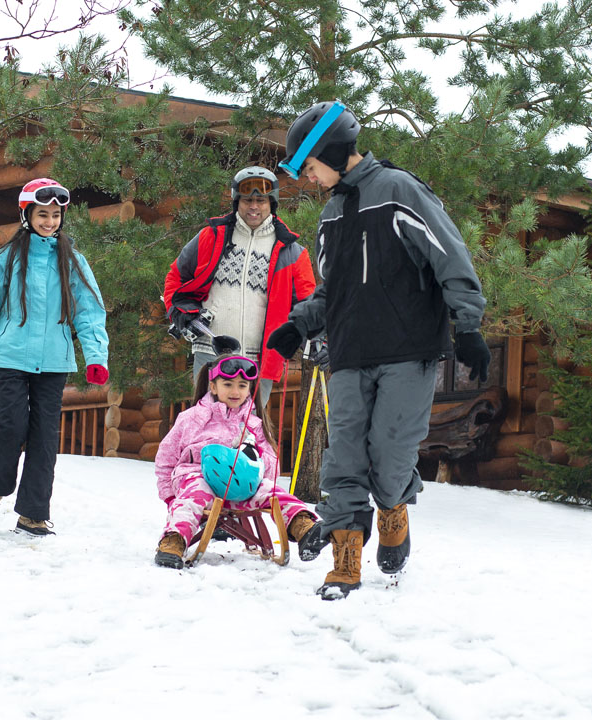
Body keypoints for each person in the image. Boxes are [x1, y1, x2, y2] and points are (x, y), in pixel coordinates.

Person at [267, 100, 491, 600]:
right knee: (343, 457)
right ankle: (346, 560)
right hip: (346, 353)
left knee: (389, 456)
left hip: (407, 351)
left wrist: (468, 325)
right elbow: (330, 290)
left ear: (330, 149)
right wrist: (297, 325)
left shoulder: (398, 192)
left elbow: (449, 256)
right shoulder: (331, 215)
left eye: (308, 165)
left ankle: (393, 506)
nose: (307, 177)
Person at [0, 178, 109, 537]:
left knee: (45, 438)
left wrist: (96, 356)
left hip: (54, 362)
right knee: (11, 427)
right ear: (27, 214)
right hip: (10, 358)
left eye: (55, 215)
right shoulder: (7, 259)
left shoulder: (71, 260)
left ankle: (33, 513)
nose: (49, 221)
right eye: (42, 214)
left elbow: (89, 311)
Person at [163, 166, 317, 404]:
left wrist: (318, 338)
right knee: (208, 426)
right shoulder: (211, 237)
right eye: (247, 200)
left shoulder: (293, 253)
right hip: (210, 352)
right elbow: (175, 277)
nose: (254, 206)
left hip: (261, 360)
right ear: (237, 202)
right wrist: (182, 312)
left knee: (249, 432)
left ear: (271, 203)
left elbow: (309, 305)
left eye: (261, 200)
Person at [152, 353, 318, 569]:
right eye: (228, 384)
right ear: (213, 386)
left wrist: (252, 453)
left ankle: (302, 526)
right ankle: (173, 541)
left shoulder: (254, 424)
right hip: (197, 476)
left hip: (241, 486)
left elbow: (271, 468)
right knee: (194, 496)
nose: (235, 391)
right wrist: (170, 496)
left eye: (242, 385)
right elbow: (166, 458)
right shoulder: (191, 418)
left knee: (270, 489)